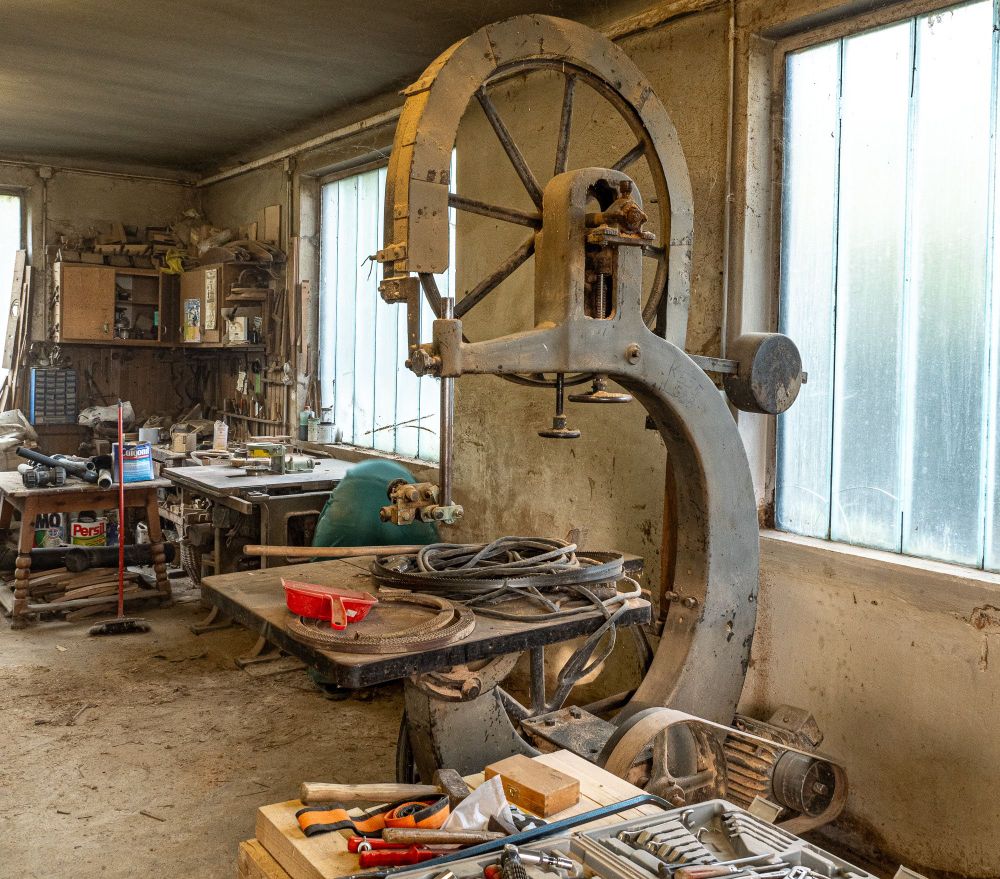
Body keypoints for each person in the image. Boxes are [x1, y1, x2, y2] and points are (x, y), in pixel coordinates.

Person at [312, 459, 439, 548]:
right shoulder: (413, 486)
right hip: (406, 525)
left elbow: (325, 513)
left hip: (350, 504)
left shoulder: (353, 481)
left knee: (329, 560)